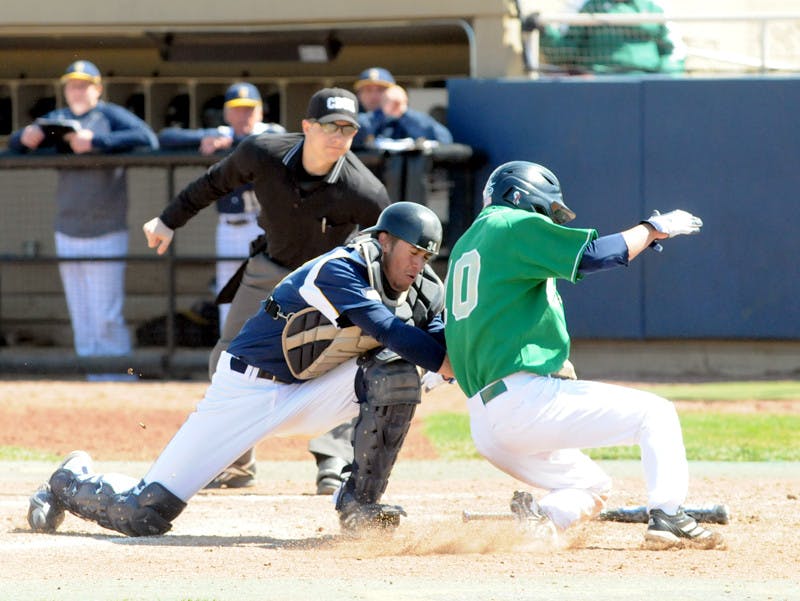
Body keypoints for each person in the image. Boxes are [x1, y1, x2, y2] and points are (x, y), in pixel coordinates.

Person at [27, 202, 452, 538]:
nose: (418, 265)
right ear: (384, 240)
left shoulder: (424, 285)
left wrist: (464, 363)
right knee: (144, 513)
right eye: (412, 253)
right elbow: (388, 329)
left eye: (426, 257)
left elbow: (438, 342)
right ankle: (69, 480)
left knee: (398, 372)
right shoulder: (340, 268)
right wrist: (446, 361)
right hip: (247, 390)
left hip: (316, 389)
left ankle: (360, 504)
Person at [443, 160, 723, 549]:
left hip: (485, 419)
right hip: (523, 400)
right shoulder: (509, 223)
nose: (549, 220)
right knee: (656, 413)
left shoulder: (467, 244)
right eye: (545, 210)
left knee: (591, 486)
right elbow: (595, 254)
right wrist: (654, 228)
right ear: (520, 195)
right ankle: (668, 516)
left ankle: (543, 522)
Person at [142, 88, 391, 493]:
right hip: (269, 271)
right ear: (307, 127)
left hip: (329, 283)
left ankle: (332, 461)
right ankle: (236, 463)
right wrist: (168, 220)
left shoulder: (363, 189)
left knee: (343, 367)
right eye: (330, 126)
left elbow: (389, 244)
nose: (338, 137)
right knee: (227, 358)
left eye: (348, 129)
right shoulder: (263, 152)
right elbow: (213, 183)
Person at [6, 60, 158, 373]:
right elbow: (16, 144)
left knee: (105, 314)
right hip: (67, 229)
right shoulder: (58, 119)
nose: (77, 90)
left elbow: (148, 139)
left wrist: (97, 143)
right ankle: (92, 376)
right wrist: (27, 136)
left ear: (97, 89)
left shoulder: (108, 115)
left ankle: (118, 374)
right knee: (82, 314)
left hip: (106, 229)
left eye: (84, 84)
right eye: (72, 85)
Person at [157, 82, 286, 331]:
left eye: (249, 109)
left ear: (260, 112)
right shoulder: (220, 134)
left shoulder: (271, 132)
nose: (243, 115)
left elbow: (269, 143)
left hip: (264, 228)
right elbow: (165, 137)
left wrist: (231, 142)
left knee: (269, 293)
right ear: (227, 113)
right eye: (237, 110)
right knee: (228, 296)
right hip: (228, 229)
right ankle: (228, 359)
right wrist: (207, 138)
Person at [525, 0, 686, 75]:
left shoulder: (654, 6)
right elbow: (563, 51)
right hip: (599, 84)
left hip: (648, 86)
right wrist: (544, 30)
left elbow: (673, 52)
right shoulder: (586, 5)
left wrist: (662, 83)